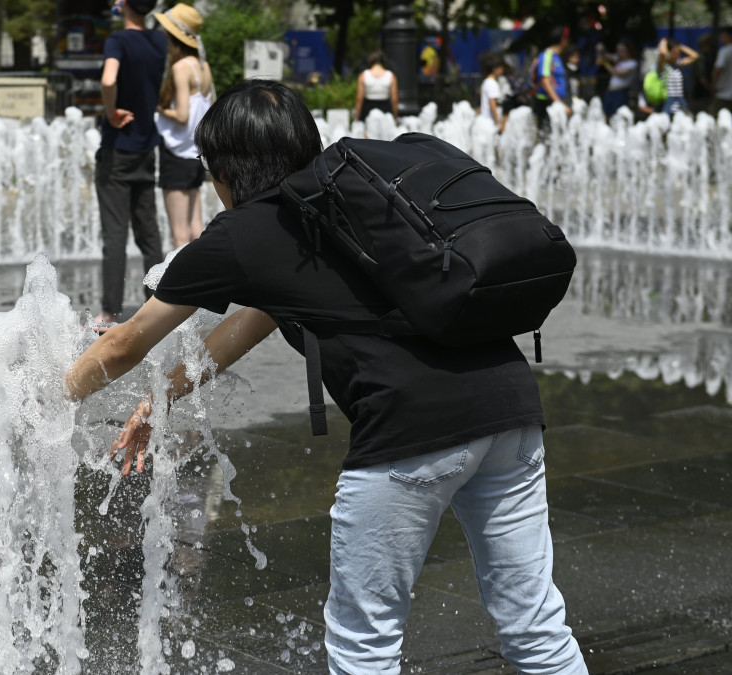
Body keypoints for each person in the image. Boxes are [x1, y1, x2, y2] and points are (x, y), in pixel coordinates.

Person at [64, 79, 588, 674]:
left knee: (363, 646)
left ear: (226, 170)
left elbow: (126, 342)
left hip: (410, 433)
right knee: (535, 626)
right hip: (510, 411)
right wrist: (160, 402)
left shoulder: (244, 234)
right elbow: (254, 321)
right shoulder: (343, 202)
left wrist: (41, 404)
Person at [93, 0, 168, 331]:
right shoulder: (159, 42)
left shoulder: (118, 41)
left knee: (115, 235)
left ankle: (110, 313)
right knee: (149, 233)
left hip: (118, 147)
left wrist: (111, 112)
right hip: (146, 146)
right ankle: (158, 303)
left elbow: (109, 80)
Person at [153, 3, 214, 250]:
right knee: (196, 230)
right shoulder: (203, 66)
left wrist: (156, 108)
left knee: (178, 236)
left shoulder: (180, 68)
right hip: (195, 152)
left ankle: (179, 287)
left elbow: (181, 116)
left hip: (176, 151)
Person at [533, 27, 572, 131]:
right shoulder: (547, 55)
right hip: (546, 103)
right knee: (547, 137)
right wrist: (559, 104)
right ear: (562, 39)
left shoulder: (556, 56)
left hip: (555, 102)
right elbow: (545, 82)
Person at [353, 50, 399, 124]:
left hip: (367, 108)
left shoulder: (363, 75)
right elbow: (394, 99)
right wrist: (395, 117)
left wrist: (357, 117)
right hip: (385, 108)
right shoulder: (391, 76)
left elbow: (359, 98)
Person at [658, 37, 699, 116]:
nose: (677, 56)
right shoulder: (663, 65)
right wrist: (663, 42)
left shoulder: (678, 64)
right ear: (668, 52)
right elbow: (663, 53)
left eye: (678, 53)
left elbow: (695, 56)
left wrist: (680, 46)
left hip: (680, 101)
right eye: (674, 53)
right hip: (668, 103)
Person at [598, 41, 638, 117]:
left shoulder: (632, 63)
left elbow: (619, 73)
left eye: (623, 51)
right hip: (610, 92)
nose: (620, 53)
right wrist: (601, 49)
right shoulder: (619, 60)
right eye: (618, 50)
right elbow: (606, 55)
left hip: (620, 93)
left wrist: (604, 63)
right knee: (606, 114)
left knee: (616, 116)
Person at [479, 51, 506, 131]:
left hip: (485, 122)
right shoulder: (492, 83)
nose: (503, 70)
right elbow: (493, 104)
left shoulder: (486, 81)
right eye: (501, 68)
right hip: (490, 124)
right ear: (495, 69)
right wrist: (499, 122)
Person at [711, 27, 732, 115]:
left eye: (722, 36)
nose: (721, 39)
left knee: (716, 117)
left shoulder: (724, 51)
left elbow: (718, 70)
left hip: (723, 94)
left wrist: (713, 85)